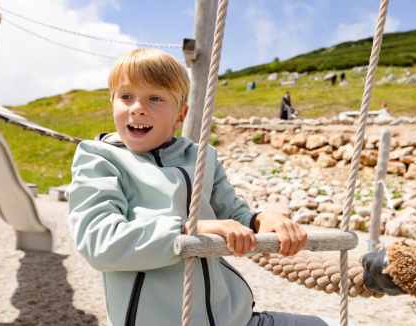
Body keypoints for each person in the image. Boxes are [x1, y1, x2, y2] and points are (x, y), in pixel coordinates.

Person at [64, 49, 334, 326]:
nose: (137, 107)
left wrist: (262, 219)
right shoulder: (99, 159)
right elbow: (99, 242)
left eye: (155, 98)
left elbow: (233, 216)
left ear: (180, 116)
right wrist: (190, 229)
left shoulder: (202, 157)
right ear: (113, 104)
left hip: (235, 319)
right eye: (125, 96)